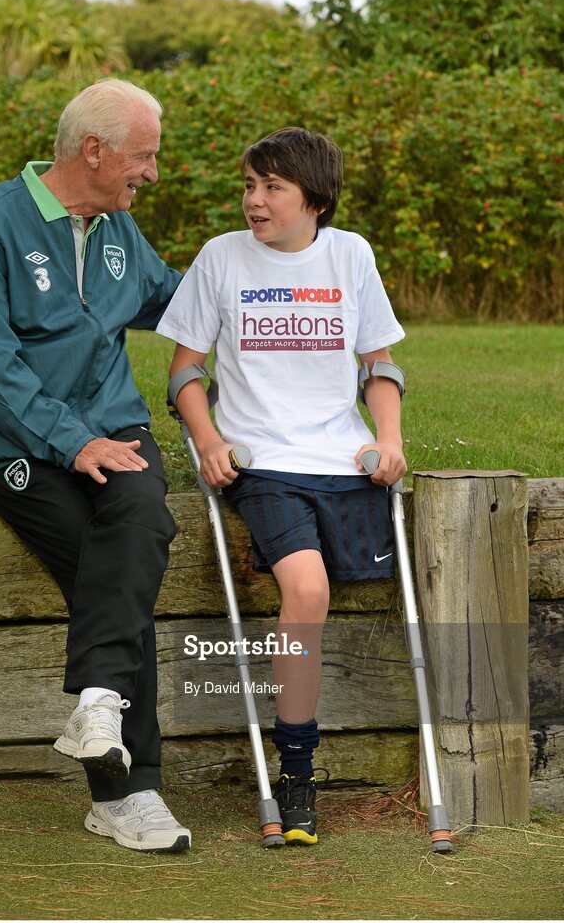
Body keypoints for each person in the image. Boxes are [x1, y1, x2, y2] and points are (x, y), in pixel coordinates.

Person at [0, 79, 192, 853]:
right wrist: (70, 442)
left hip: (116, 432)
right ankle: (128, 792)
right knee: (113, 575)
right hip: (19, 450)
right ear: (95, 150)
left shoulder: (119, 233)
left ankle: (99, 713)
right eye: (142, 157)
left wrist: (282, 280)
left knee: (143, 518)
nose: (151, 173)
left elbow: (181, 303)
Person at [156, 126, 406, 845]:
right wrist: (208, 442)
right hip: (260, 463)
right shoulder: (220, 258)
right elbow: (183, 371)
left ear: (316, 200)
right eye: (249, 185)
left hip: (341, 459)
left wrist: (387, 441)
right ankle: (297, 774)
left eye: (272, 188)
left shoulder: (351, 255)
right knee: (307, 589)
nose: (254, 201)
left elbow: (380, 366)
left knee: (363, 582)